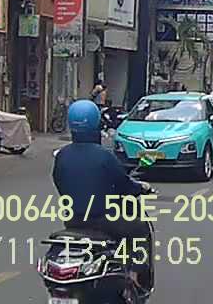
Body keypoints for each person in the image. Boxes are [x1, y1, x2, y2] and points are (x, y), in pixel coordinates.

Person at [52, 100, 154, 291]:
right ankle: (134, 276)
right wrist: (140, 188)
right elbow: (124, 184)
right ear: (96, 124)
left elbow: (59, 182)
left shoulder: (62, 155)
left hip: (74, 220)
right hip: (105, 219)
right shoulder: (104, 156)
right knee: (140, 230)